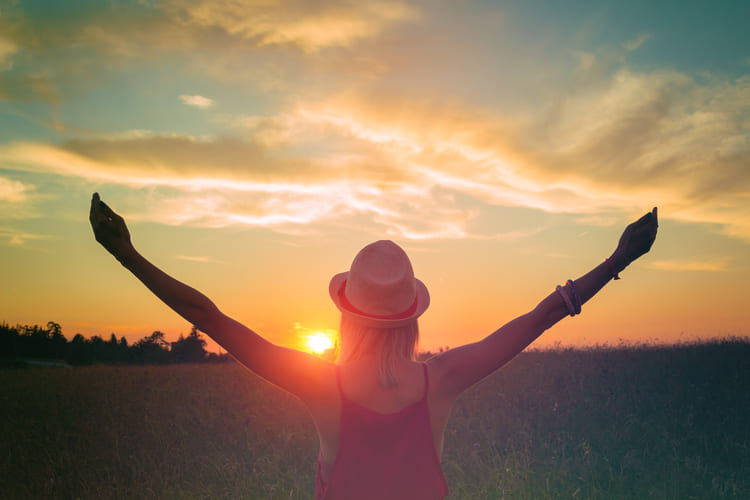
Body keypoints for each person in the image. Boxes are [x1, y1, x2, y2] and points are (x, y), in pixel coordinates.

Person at [89, 192, 658, 499]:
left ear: (346, 315)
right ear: (411, 316)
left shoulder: (321, 385)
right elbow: (541, 316)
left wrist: (126, 254)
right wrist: (617, 259)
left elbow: (207, 316)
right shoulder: (443, 380)